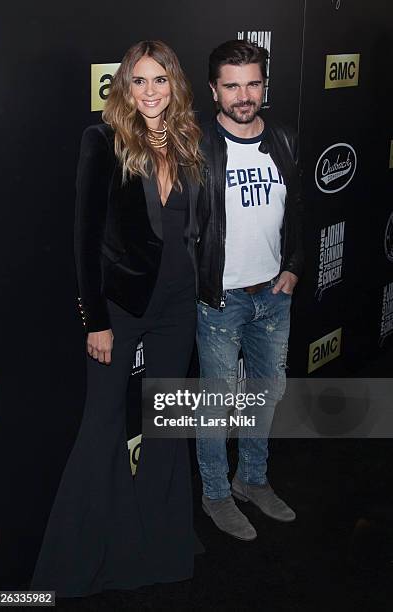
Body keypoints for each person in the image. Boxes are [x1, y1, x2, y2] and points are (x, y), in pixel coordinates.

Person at [31, 40, 203, 596]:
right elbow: (84, 239)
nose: (150, 92)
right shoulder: (102, 141)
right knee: (103, 425)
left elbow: (195, 229)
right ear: (123, 87)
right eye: (139, 81)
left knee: (167, 428)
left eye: (160, 80)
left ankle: (163, 551)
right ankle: (73, 568)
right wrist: (95, 320)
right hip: (122, 308)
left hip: (179, 307)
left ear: (174, 84)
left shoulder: (186, 140)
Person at [196, 40, 303, 540]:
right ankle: (216, 494)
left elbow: (299, 208)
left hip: (273, 296)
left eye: (253, 84)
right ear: (214, 89)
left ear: (264, 85)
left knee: (266, 395)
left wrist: (294, 266)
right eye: (232, 85)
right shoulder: (198, 145)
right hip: (222, 300)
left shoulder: (283, 136)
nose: (244, 96)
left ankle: (253, 480)